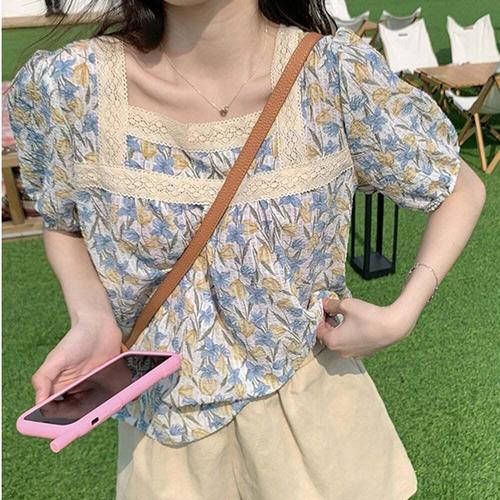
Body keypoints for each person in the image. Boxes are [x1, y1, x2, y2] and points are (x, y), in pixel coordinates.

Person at [7, 1, 486, 498]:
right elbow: (63, 219)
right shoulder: (71, 85)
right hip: (167, 435)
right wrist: (91, 317)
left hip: (318, 420)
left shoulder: (333, 75)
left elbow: (459, 187)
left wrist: (402, 314)